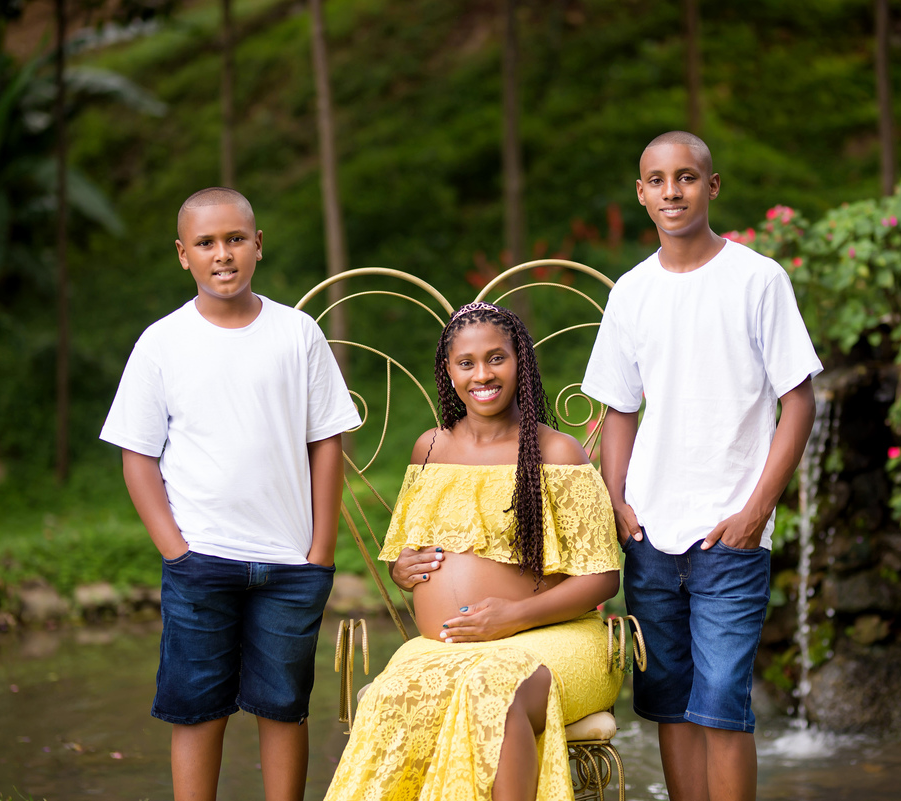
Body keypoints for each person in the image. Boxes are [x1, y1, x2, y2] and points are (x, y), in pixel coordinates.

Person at [581, 131, 822, 801]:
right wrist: (618, 497)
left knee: (722, 702)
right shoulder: (631, 292)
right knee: (670, 699)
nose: (672, 191)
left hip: (730, 532)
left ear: (711, 186)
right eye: (657, 180)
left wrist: (756, 511)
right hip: (650, 532)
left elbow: (798, 401)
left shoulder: (757, 279)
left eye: (686, 177)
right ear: (641, 193)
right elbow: (620, 408)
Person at [99, 187, 361, 801]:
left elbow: (326, 441)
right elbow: (137, 454)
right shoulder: (162, 344)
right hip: (200, 562)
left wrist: (320, 551)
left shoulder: (297, 334)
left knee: (283, 706)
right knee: (197, 709)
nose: (223, 254)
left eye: (235, 239)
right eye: (206, 243)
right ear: (182, 255)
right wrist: (175, 550)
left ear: (258, 245)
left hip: (290, 562)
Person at [323, 301, 622, 801]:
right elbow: (406, 557)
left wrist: (514, 617)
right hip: (448, 648)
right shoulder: (431, 448)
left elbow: (603, 578)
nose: (482, 374)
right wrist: (403, 570)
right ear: (449, 371)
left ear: (520, 362)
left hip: (553, 639)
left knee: (495, 690)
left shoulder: (556, 453)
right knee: (390, 696)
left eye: (496, 358)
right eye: (466, 363)